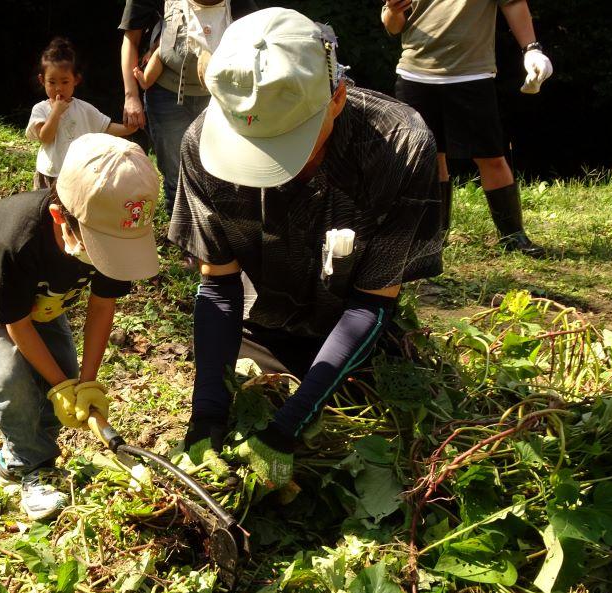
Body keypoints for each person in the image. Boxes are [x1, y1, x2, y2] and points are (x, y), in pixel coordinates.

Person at [169, 8, 444, 487]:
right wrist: (208, 412)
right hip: (257, 329)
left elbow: (372, 302)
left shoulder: (400, 146)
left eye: (292, 145)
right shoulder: (201, 147)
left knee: (397, 432)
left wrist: (288, 427)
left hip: (350, 331)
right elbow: (218, 286)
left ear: (336, 97)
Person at [0, 134, 161, 520]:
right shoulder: (17, 240)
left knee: (65, 370)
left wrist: (84, 382)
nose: (105, 259)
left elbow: (102, 304)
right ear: (61, 217)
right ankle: (30, 464)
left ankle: (25, 446)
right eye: (97, 246)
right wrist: (59, 388)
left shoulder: (113, 228)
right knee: (11, 378)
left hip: (42, 297)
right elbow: (17, 324)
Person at [381, 0, 554, 257]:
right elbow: (392, 25)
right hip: (414, 75)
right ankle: (434, 237)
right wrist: (393, 11)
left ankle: (513, 236)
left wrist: (532, 50)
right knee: (427, 157)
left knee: (491, 156)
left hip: (472, 75)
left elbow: (513, 3)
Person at [119, 0, 258, 217]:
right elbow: (131, 38)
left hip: (219, 95)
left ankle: (217, 236)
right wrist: (131, 96)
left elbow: (254, 36)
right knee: (176, 175)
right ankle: (181, 240)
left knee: (221, 172)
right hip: (166, 94)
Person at [28, 38, 137, 190]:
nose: (58, 88)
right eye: (52, 82)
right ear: (42, 80)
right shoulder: (40, 109)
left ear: (76, 80)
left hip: (77, 173)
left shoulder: (84, 109)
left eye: (65, 82)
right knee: (46, 210)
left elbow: (104, 127)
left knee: (72, 211)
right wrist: (56, 113)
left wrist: (128, 129)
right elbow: (45, 137)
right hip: (50, 173)